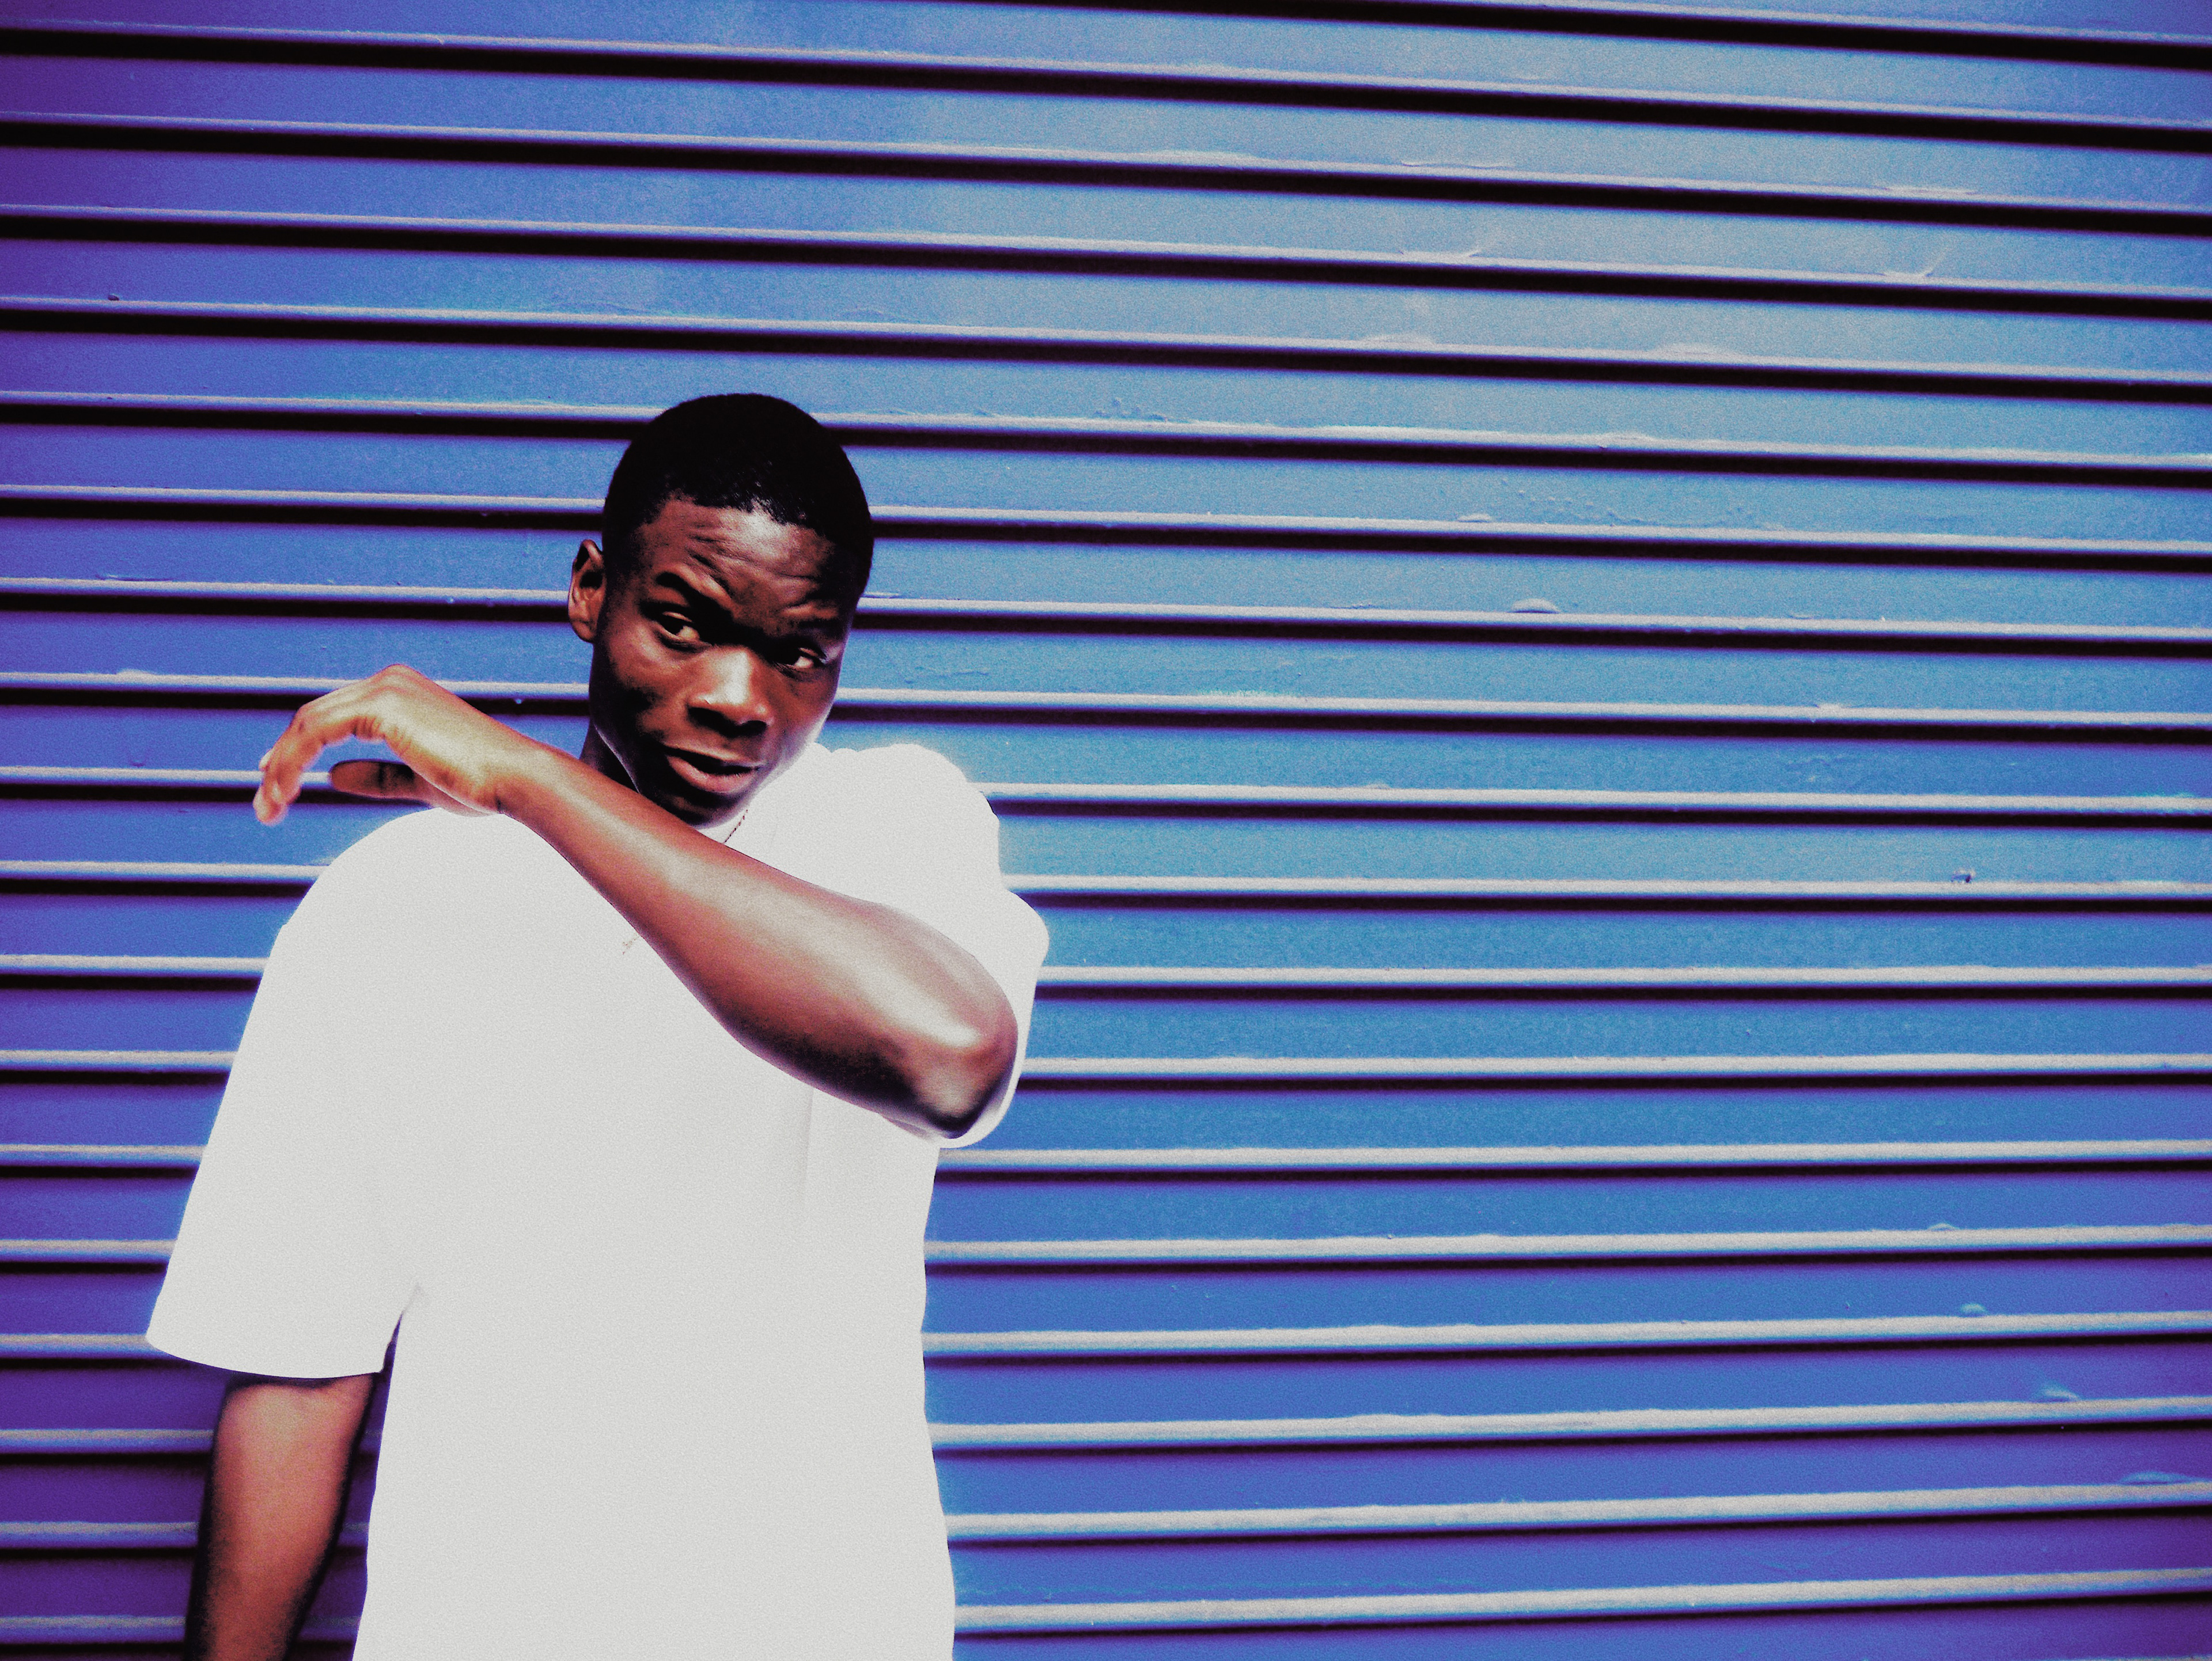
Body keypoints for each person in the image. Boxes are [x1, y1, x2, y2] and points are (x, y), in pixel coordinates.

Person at [146, 394, 1050, 1660]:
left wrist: (524, 778)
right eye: (685, 623)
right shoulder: (387, 908)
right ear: (590, 590)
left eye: (801, 653)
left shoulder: (895, 828)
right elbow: (299, 1373)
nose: (739, 697)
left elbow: (948, 1055)